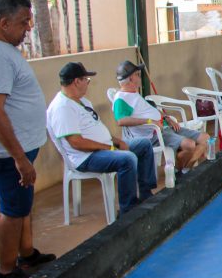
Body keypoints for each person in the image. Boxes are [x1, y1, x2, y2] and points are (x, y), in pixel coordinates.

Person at [0, 0, 55, 278]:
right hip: (11, 153)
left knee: (22, 205)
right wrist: (19, 158)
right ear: (3, 22)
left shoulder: (2, 47)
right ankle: (6, 271)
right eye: (24, 23)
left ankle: (27, 255)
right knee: (12, 210)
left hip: (21, 149)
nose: (28, 28)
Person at [47, 62, 156, 214]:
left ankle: (146, 193)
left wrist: (117, 142)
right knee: (127, 159)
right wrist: (109, 147)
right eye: (86, 80)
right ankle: (128, 209)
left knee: (143, 144)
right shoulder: (62, 108)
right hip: (86, 157)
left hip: (103, 146)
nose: (88, 84)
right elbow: (76, 143)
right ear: (77, 81)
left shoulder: (82, 101)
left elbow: (97, 128)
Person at [113, 60, 208, 173]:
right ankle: (182, 169)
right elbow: (121, 120)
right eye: (137, 75)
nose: (139, 77)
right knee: (190, 145)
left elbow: (151, 110)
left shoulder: (134, 94)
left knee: (205, 139)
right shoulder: (121, 98)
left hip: (164, 126)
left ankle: (185, 169)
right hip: (153, 134)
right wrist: (150, 121)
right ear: (130, 79)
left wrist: (166, 118)